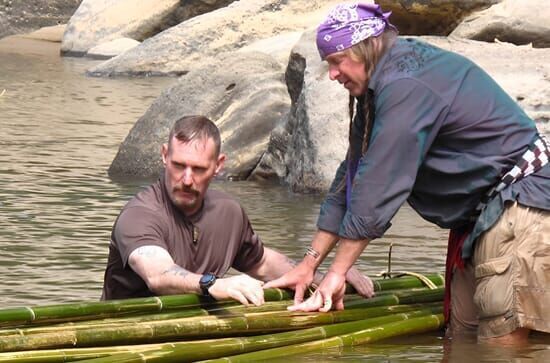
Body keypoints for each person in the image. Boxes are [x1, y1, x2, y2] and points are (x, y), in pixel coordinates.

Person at [265, 2, 549, 344]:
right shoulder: (378, 87)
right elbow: (352, 178)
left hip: (519, 202)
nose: (333, 75)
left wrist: (336, 274)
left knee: (502, 345)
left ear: (365, 49)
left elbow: (378, 188)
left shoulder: (406, 81)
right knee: (460, 338)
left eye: (337, 62)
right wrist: (308, 265)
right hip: (482, 216)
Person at [102, 115, 374, 305]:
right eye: (178, 165)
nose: (186, 179)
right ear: (164, 156)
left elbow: (264, 263)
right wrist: (216, 284)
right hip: (131, 336)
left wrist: (328, 276)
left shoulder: (228, 213)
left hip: (200, 336)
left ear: (219, 165)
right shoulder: (140, 214)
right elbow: (158, 275)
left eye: (198, 169)